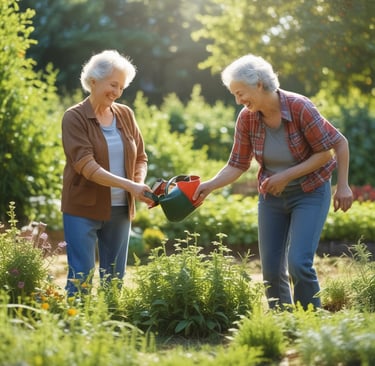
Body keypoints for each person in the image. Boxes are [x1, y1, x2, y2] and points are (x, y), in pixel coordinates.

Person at [193, 54, 353, 310]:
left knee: (299, 263)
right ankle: (284, 321)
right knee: (270, 270)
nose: (238, 101)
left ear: (258, 83)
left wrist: (289, 176)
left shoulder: (300, 107)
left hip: (310, 193)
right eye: (234, 95)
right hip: (272, 199)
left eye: (240, 93)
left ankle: (308, 320)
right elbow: (238, 163)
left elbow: (325, 153)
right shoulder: (247, 117)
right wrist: (209, 186)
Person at [61, 50, 154, 296]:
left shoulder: (125, 114)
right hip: (82, 207)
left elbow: (141, 157)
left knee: (114, 278)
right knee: (81, 275)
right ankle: (74, 328)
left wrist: (139, 183)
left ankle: (110, 327)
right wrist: (130, 186)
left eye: (121, 87)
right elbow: (86, 166)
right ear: (94, 81)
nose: (117, 92)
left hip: (120, 209)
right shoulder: (74, 117)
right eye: (113, 84)